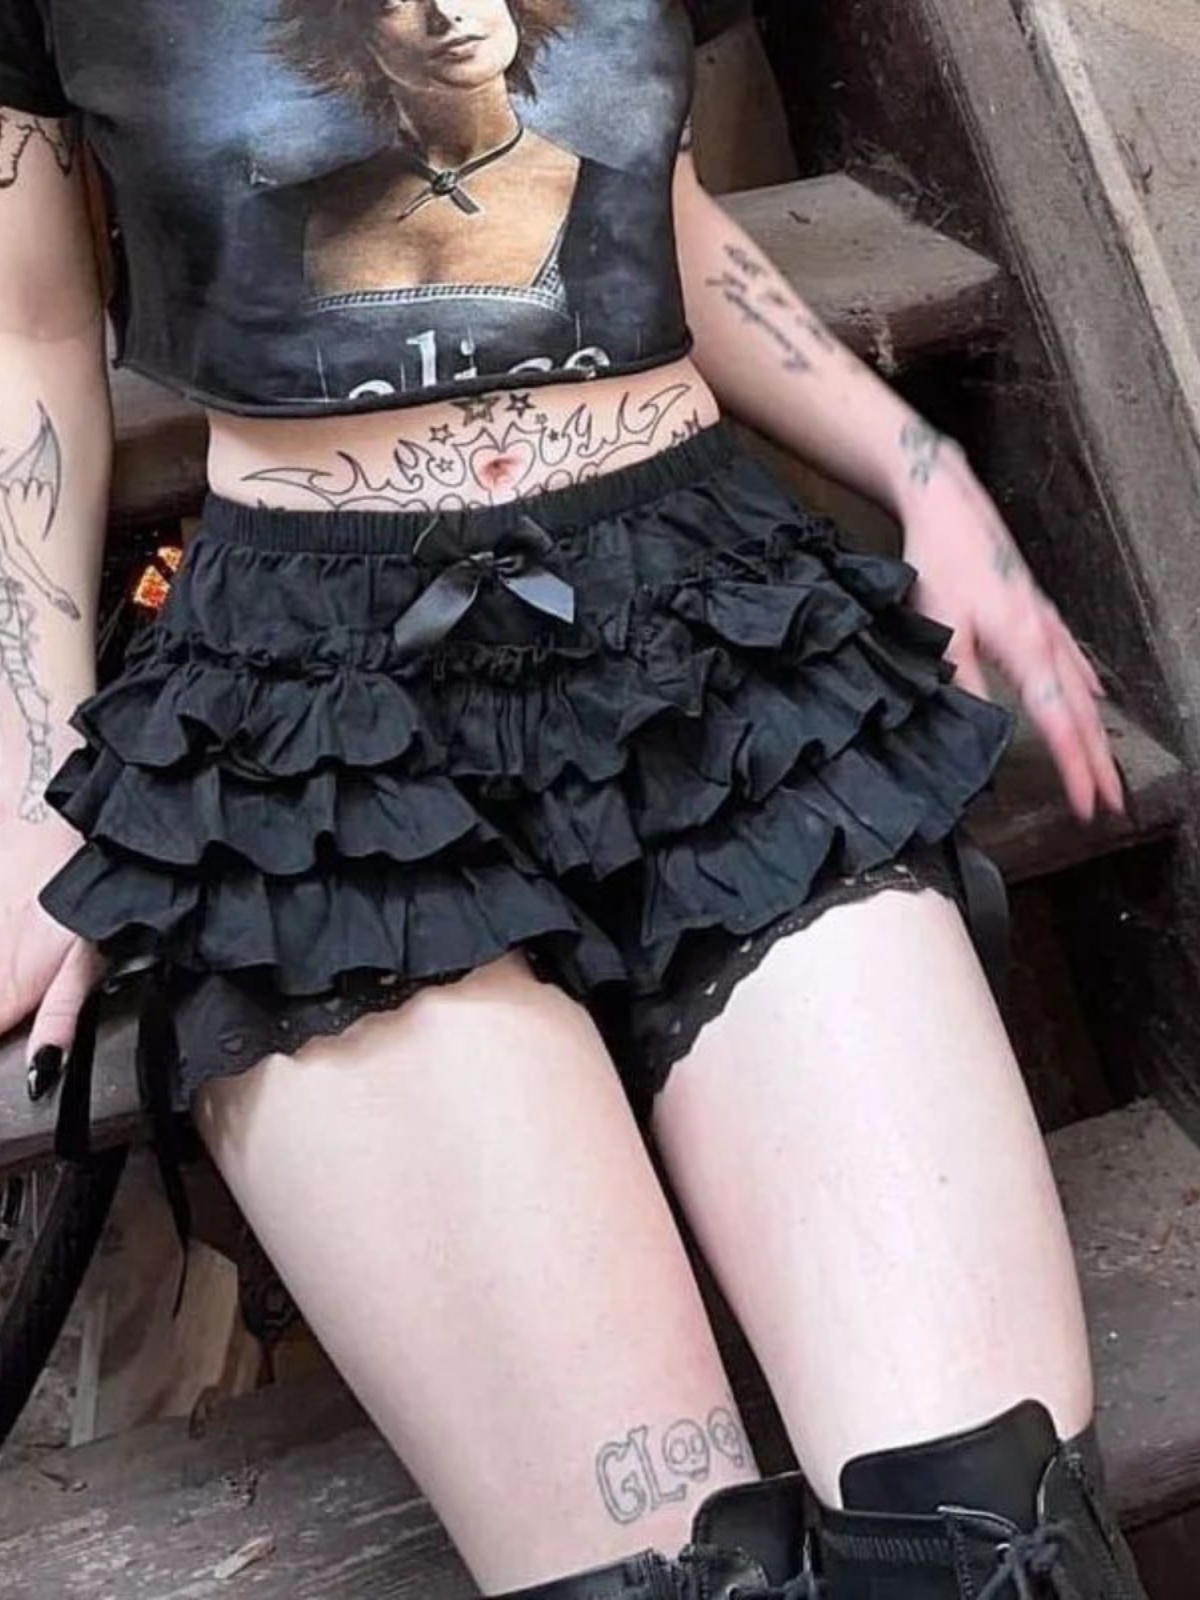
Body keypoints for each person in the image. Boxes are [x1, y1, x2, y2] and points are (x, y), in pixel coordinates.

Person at [0, 1, 1145, 1596]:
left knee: (1001, 1544)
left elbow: (652, 212)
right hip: (315, 734)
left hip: (711, 654)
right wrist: (35, 767)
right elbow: (28, 336)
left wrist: (924, 468)